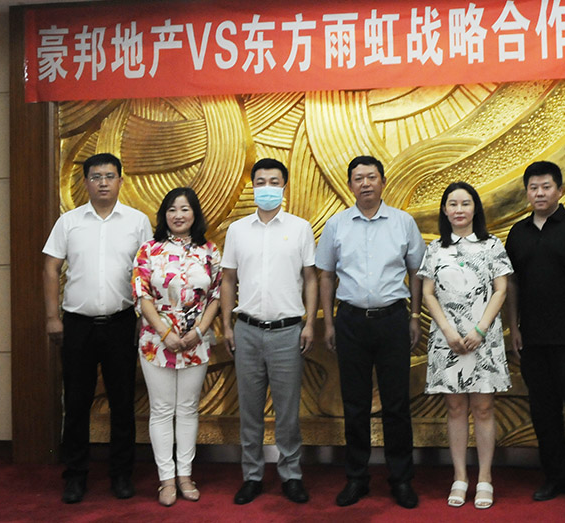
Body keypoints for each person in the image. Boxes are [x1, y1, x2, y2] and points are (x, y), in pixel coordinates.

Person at [42, 152, 153, 504]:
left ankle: (121, 475)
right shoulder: (69, 222)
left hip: (122, 323)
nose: (103, 182)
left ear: (120, 180)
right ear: (86, 182)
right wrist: (52, 317)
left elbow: (148, 272)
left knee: (122, 402)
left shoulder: (137, 222)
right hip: (77, 325)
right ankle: (75, 476)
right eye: (95, 176)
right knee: (76, 403)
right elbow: (50, 268)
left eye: (109, 176)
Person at [316, 155, 425, 509]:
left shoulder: (403, 222)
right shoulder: (336, 225)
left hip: (393, 319)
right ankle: (356, 478)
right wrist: (329, 322)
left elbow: (416, 272)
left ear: (383, 182)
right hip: (350, 321)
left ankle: (401, 479)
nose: (365, 183)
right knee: (355, 403)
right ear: (350, 185)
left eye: (372, 177)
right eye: (358, 178)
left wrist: (414, 317)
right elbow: (326, 275)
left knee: (396, 404)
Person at [503, 160, 565, 508]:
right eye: (533, 187)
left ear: (559, 190)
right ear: (527, 193)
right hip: (532, 339)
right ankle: (555, 477)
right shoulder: (517, 233)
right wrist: (513, 326)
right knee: (543, 412)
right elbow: (511, 283)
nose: (540, 193)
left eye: (546, 186)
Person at [220, 158, 318, 506]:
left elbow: (310, 278)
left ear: (284, 186)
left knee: (287, 412)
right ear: (253, 186)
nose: (267, 188)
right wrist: (226, 325)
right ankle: (252, 476)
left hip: (287, 332)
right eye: (260, 182)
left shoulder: (300, 228)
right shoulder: (237, 230)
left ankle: (291, 475)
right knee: (249, 410)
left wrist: (310, 322)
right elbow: (227, 279)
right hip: (246, 330)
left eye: (274, 182)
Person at [417, 182, 513, 509]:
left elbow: (501, 289)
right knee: (455, 409)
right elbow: (427, 292)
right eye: (453, 204)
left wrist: (481, 329)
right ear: (444, 210)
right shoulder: (435, 248)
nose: (459, 209)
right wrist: (447, 330)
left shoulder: (491, 245)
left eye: (465, 203)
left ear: (475, 208)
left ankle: (485, 477)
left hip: (483, 338)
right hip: (447, 340)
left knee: (483, 409)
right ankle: (459, 477)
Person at [132, 187, 222, 506]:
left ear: (194, 213)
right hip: (156, 342)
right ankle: (166, 480)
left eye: (184, 209)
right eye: (172, 209)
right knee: (161, 409)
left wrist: (199, 331)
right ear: (164, 215)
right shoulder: (149, 250)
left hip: (196, 341)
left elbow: (217, 296)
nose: (178, 215)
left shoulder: (209, 250)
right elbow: (141, 295)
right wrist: (165, 332)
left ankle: (185, 475)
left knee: (187, 409)